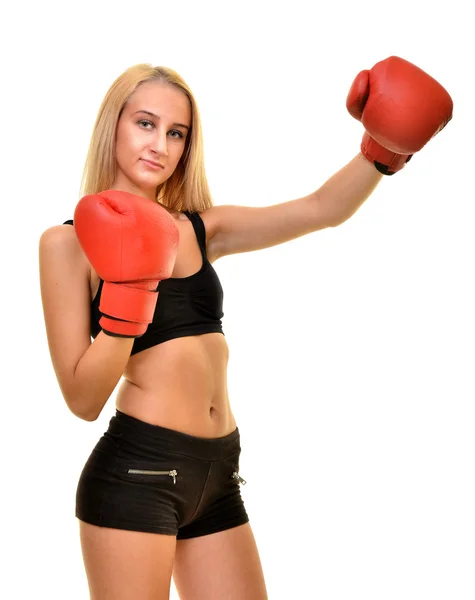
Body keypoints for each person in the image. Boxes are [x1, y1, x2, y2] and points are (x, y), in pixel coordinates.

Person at [39, 56, 452, 600]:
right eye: (145, 123)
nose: (159, 144)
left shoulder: (203, 228)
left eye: (176, 132)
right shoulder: (65, 244)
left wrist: (381, 153)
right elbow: (82, 399)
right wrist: (127, 295)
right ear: (112, 124)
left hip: (218, 475)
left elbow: (321, 209)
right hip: (138, 474)